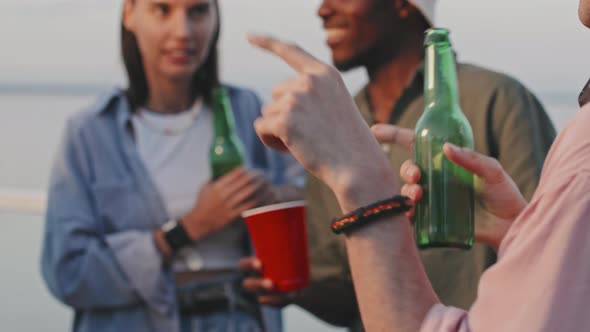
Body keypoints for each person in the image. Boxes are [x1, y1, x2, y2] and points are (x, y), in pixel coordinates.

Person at [245, 1, 590, 327]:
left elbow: (564, 273)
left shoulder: (497, 99)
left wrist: (364, 185)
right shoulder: (337, 128)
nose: (323, 9)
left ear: (403, 4)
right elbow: (348, 292)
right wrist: (292, 289)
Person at [40, 1, 302, 331]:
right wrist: (185, 229)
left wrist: (272, 198)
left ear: (215, 17)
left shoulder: (249, 111)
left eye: (198, 11)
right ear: (130, 14)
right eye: (163, 9)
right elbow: (69, 275)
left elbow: (311, 212)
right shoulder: (89, 132)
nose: (183, 32)